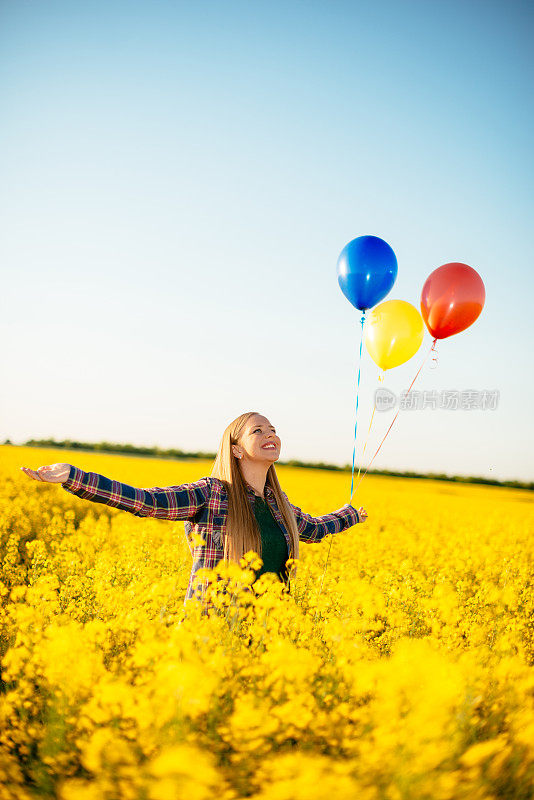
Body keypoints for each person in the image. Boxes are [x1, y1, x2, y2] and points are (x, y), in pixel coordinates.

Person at [20, 411, 368, 611]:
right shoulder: (213, 494)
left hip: (269, 637)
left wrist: (351, 514)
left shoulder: (279, 506)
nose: (270, 435)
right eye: (257, 430)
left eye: (274, 430)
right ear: (235, 449)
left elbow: (313, 529)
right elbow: (145, 501)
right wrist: (74, 477)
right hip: (213, 630)